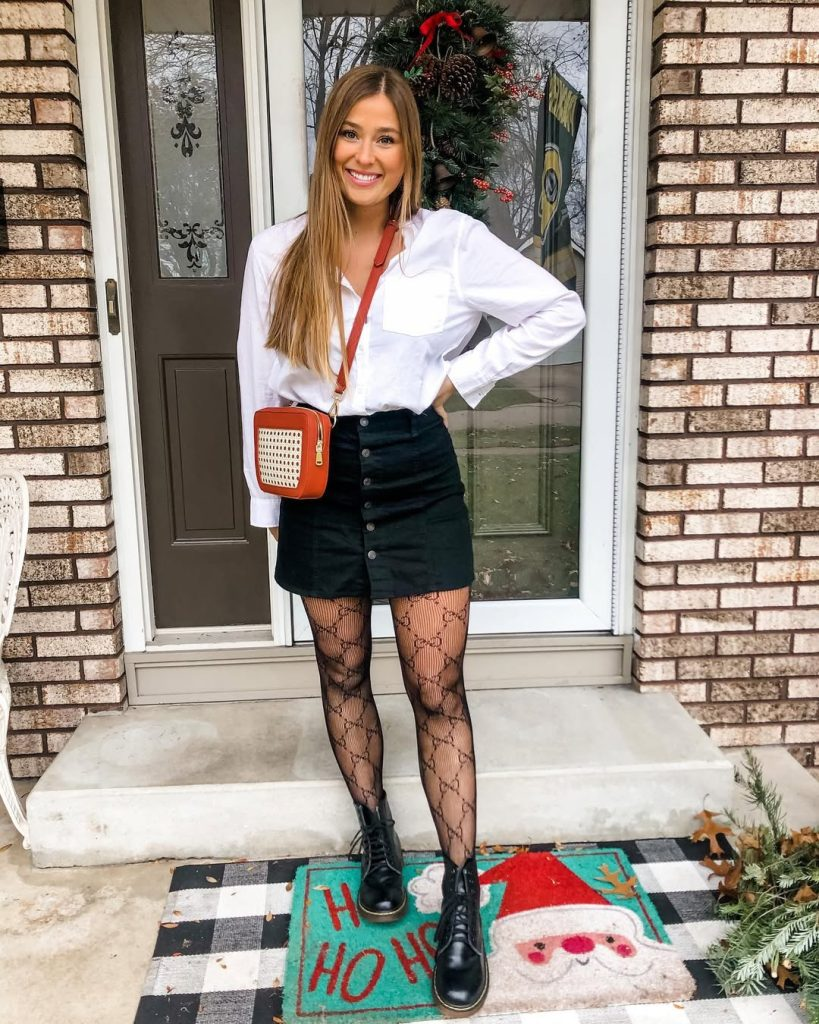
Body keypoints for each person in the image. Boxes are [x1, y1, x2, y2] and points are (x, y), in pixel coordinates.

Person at [237, 63, 586, 1018]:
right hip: (316, 473)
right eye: (351, 133)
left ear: (408, 152)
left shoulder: (449, 243)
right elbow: (260, 386)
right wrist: (270, 511)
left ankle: (461, 897)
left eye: (385, 137)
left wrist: (456, 379)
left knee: (437, 688)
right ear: (328, 142)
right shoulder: (279, 251)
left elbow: (559, 309)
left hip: (414, 469)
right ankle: (378, 835)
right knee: (343, 672)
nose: (366, 153)